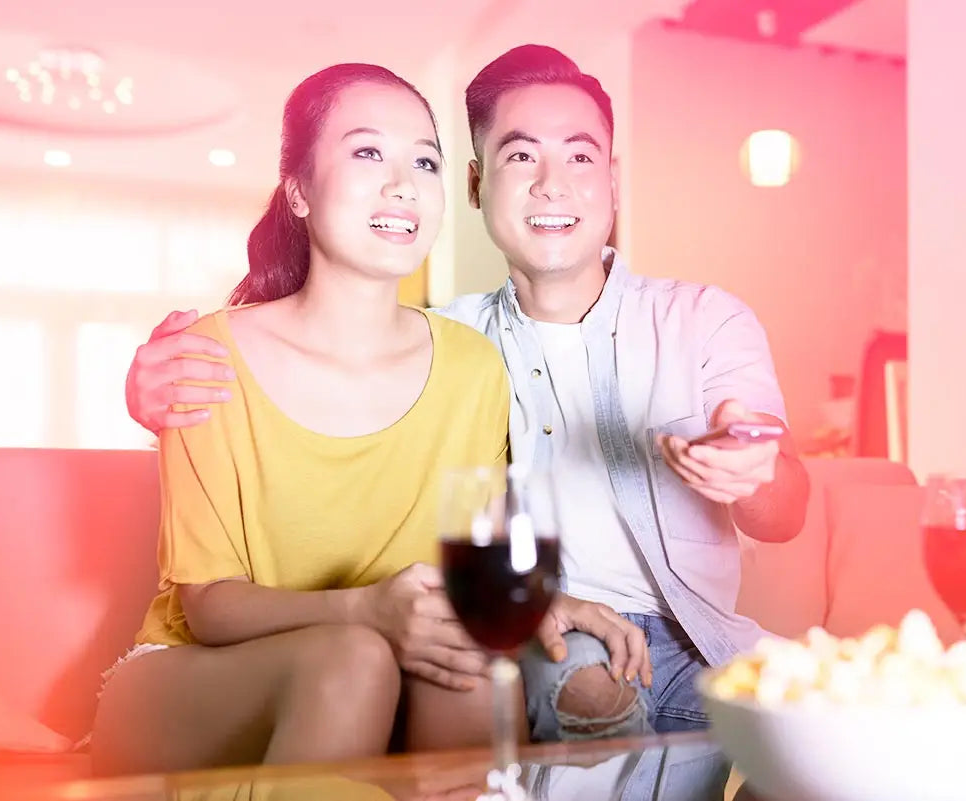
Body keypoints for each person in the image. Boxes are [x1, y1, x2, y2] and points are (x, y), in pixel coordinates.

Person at [123, 45, 810, 745]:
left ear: (612, 178)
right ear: (480, 186)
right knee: (531, 677)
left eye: (579, 157)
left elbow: (783, 509)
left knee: (843, 739)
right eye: (521, 157)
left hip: (700, 644)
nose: (552, 184)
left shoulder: (680, 323)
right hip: (531, 653)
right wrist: (147, 393)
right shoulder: (443, 343)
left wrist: (753, 469)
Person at [92, 62, 518, 777]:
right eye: (366, 152)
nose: (402, 183)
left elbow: (466, 577)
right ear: (297, 190)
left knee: (464, 653)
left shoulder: (474, 369)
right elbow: (209, 607)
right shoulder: (207, 354)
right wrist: (365, 612)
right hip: (192, 678)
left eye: (424, 160)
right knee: (352, 658)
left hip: (375, 673)